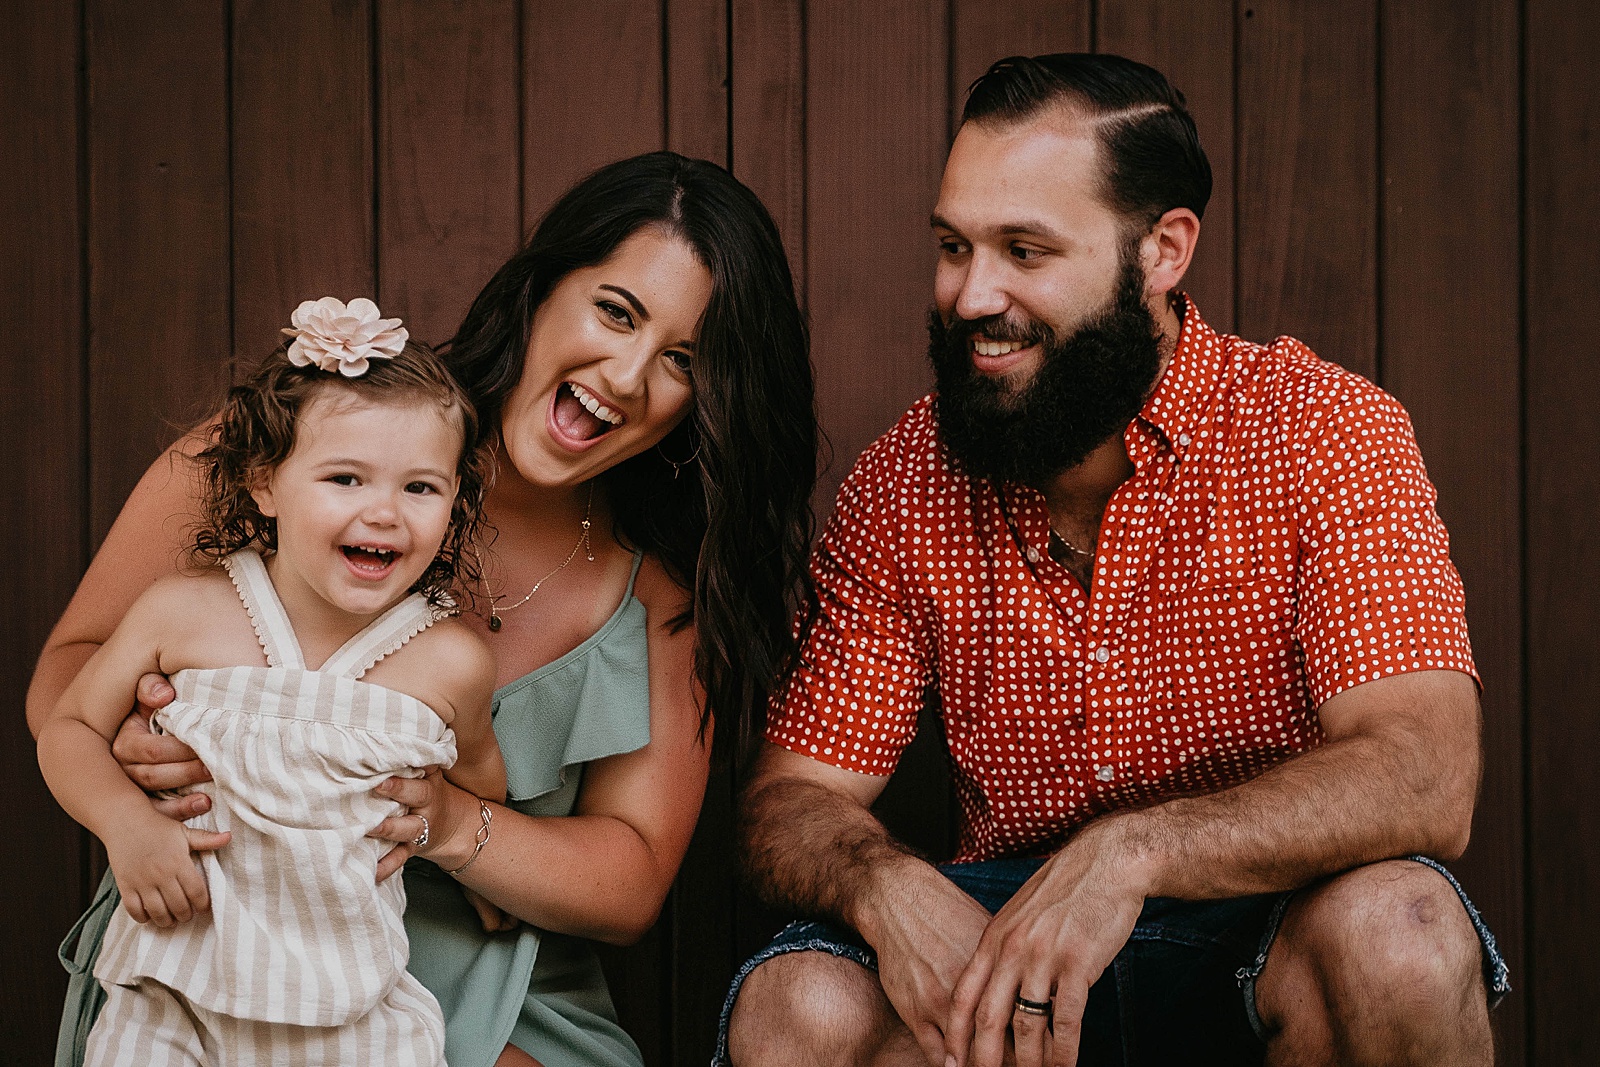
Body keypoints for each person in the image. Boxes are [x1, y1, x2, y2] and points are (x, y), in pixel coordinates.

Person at [723, 54, 1508, 1067]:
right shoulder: (905, 476)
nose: (970, 294)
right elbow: (790, 798)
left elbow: (1425, 771)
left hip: (1263, 935)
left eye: (1024, 249)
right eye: (953, 246)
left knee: (1400, 929)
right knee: (796, 1004)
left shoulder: (1322, 428)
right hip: (1002, 959)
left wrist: (1132, 851)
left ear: (1161, 252)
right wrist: (880, 881)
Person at [29, 152, 818, 1067]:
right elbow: (73, 670)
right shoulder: (289, 447)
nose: (630, 373)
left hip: (490, 977)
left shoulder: (658, 603)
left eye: (683, 359)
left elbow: (631, 878)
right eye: (615, 310)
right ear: (542, 287)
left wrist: (452, 826)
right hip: (215, 935)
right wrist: (128, 768)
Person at [38, 309, 507, 1065]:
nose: (383, 510)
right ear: (265, 485)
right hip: (171, 990)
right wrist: (125, 820)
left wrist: (478, 872)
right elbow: (69, 729)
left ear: (455, 498)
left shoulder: (449, 661)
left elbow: (482, 782)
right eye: (345, 477)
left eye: (421, 486)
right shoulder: (185, 611)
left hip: (354, 1012)